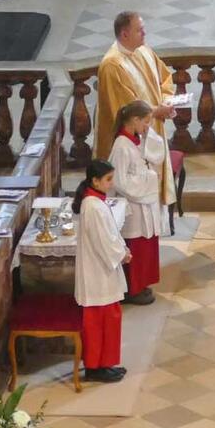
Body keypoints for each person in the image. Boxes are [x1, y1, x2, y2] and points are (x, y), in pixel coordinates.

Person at [96, 11, 178, 209]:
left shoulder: (144, 51)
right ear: (125, 34)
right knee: (135, 199)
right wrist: (157, 111)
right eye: (139, 30)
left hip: (153, 128)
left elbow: (164, 78)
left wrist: (166, 101)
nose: (145, 33)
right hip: (130, 142)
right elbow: (125, 108)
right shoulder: (112, 65)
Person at [72, 159, 130, 383]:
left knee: (110, 318)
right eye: (107, 180)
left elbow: (109, 234)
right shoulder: (93, 206)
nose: (111, 184)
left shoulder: (95, 202)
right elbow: (102, 240)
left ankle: (106, 363)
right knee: (98, 322)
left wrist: (121, 249)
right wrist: (121, 254)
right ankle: (96, 367)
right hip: (98, 272)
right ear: (94, 181)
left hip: (102, 269)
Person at [109, 101, 164, 304]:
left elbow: (155, 150)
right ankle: (132, 289)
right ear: (134, 120)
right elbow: (119, 180)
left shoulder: (134, 138)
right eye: (145, 122)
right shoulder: (121, 146)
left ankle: (141, 284)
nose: (147, 127)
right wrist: (149, 178)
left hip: (142, 202)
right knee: (135, 247)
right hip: (132, 204)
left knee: (145, 246)